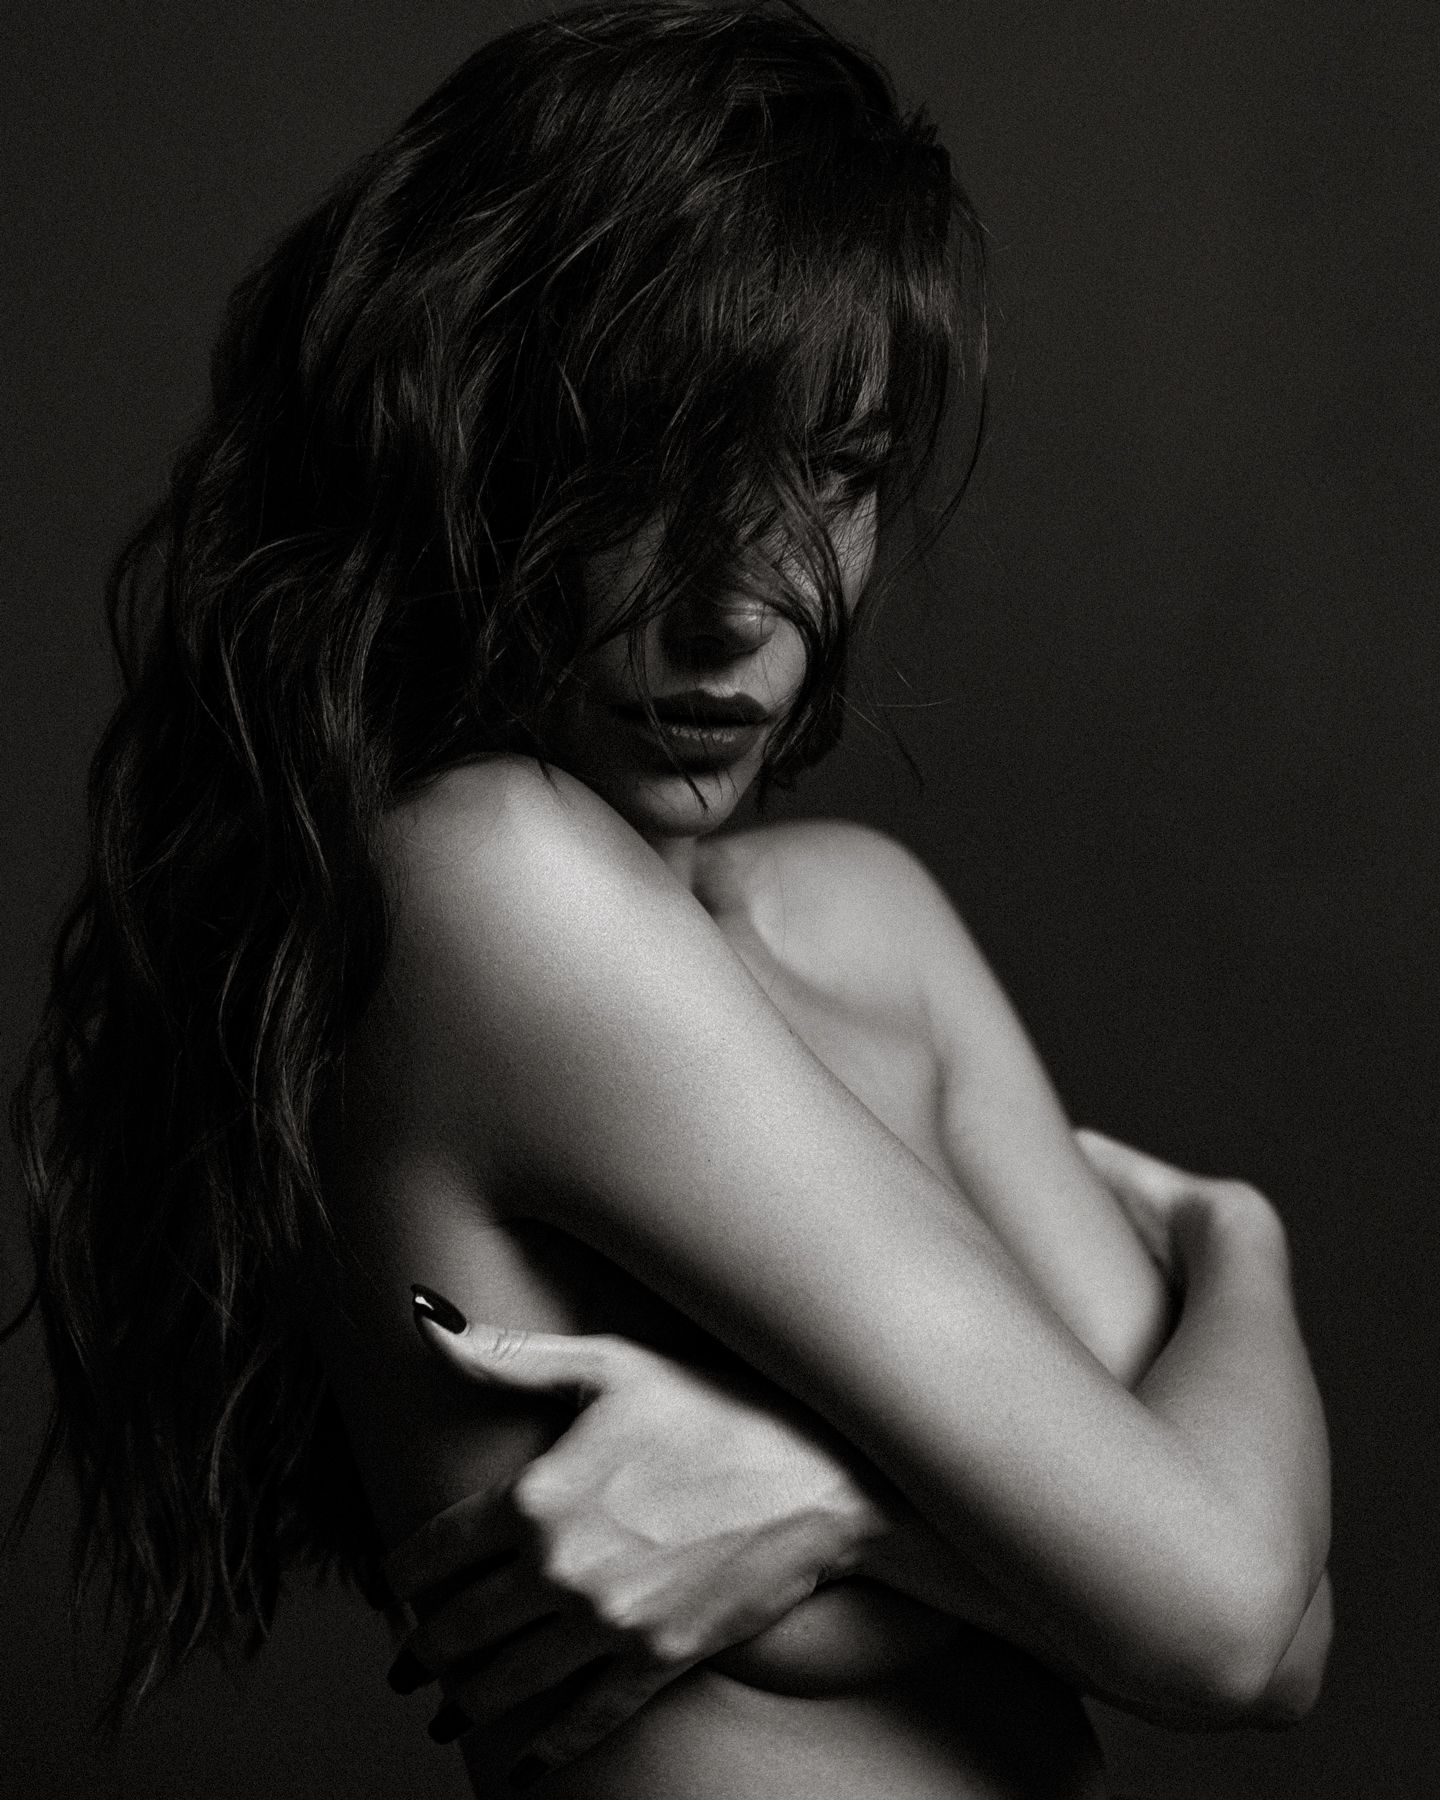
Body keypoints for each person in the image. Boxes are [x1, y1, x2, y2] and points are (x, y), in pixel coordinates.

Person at [9, 4, 1331, 1797]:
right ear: (468, 449)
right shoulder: (480, 884)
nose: (738, 607)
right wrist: (1224, 1267)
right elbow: (1216, 1611)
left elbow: (1289, 1634)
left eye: (836, 475)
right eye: (650, 477)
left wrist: (829, 1505)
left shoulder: (862, 919)